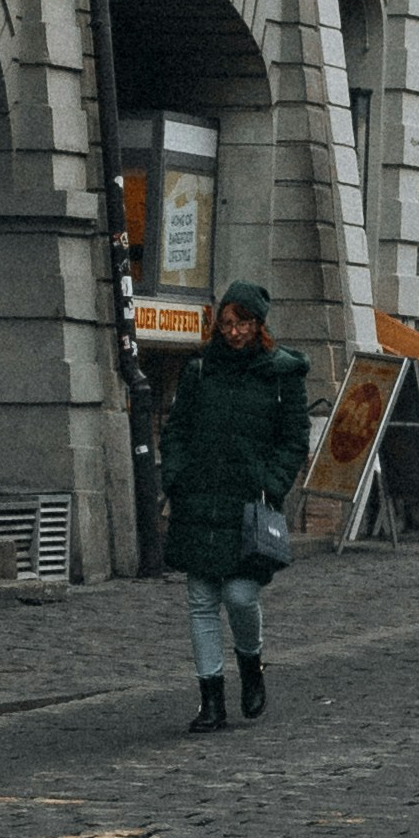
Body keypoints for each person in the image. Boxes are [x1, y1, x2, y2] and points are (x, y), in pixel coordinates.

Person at [162, 282, 311, 733]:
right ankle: (211, 700)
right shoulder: (201, 370)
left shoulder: (281, 374)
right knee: (202, 600)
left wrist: (272, 483)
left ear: (258, 324)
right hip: (199, 497)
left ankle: (251, 665)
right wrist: (176, 475)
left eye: (242, 322)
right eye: (226, 323)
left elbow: (294, 440)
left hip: (249, 503)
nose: (234, 331)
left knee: (240, 595)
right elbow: (177, 429)